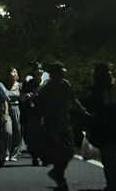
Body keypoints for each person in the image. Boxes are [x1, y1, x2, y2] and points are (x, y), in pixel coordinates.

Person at [35, 62, 89, 191]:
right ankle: (60, 178)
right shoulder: (46, 88)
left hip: (65, 122)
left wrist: (83, 111)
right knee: (59, 151)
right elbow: (38, 104)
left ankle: (57, 173)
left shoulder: (65, 84)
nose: (62, 74)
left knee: (69, 151)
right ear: (54, 74)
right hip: (52, 124)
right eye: (60, 72)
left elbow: (73, 98)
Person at [87, 63, 116, 191]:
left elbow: (93, 107)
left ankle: (113, 185)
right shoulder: (113, 87)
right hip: (114, 125)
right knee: (111, 157)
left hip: (103, 127)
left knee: (108, 159)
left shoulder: (97, 89)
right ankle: (115, 185)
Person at [21, 61, 43, 165]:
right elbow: (22, 97)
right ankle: (35, 157)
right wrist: (28, 96)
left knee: (45, 134)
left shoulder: (46, 83)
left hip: (45, 112)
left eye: (40, 69)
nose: (39, 71)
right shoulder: (28, 83)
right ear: (33, 72)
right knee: (34, 135)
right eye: (37, 69)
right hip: (32, 112)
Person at [3, 68, 21, 161]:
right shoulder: (3, 85)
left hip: (17, 109)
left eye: (14, 72)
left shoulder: (20, 85)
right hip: (6, 108)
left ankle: (14, 154)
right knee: (8, 131)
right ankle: (6, 152)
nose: (12, 73)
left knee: (17, 131)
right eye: (10, 72)